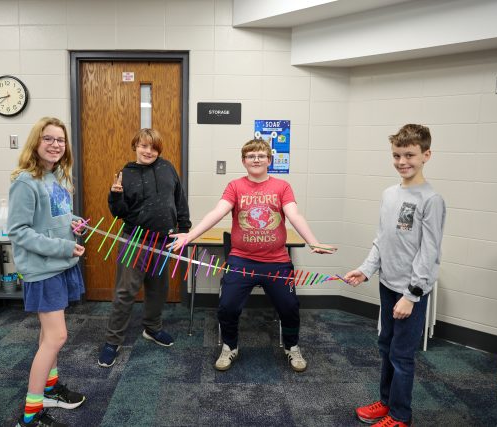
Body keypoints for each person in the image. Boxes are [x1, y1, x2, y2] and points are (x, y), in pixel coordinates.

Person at [169, 138, 336, 373]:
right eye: (250, 156)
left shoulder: (282, 187)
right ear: (243, 161)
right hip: (241, 261)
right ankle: (229, 345)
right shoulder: (235, 186)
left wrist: (312, 241)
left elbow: (295, 215)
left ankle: (292, 346)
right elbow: (217, 213)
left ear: (269, 160)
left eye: (260, 155)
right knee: (227, 307)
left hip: (276, 262)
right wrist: (189, 235)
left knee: (289, 307)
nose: (256, 159)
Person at [344, 124, 445, 427]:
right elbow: (382, 239)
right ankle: (386, 402)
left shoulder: (431, 199)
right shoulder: (389, 194)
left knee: (402, 356)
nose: (403, 161)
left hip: (410, 293)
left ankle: (401, 415)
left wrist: (412, 295)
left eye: (410, 155)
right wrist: (366, 269)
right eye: (397, 155)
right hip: (388, 285)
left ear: (426, 155)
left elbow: (429, 252)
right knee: (385, 346)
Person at [8, 117, 87, 427]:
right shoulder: (25, 182)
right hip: (44, 269)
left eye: (61, 140)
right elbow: (19, 232)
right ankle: (30, 415)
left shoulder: (57, 177)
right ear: (35, 143)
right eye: (49, 139)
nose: (56, 145)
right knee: (57, 337)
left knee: (47, 336)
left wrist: (76, 222)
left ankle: (51, 389)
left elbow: (58, 215)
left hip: (61, 265)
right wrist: (62, 247)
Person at [98, 128, 191, 368]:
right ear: (135, 146)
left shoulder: (168, 168)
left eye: (153, 147)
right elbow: (118, 213)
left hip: (163, 240)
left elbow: (179, 199)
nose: (148, 151)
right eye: (143, 146)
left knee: (158, 290)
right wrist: (115, 195)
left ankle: (152, 328)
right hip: (135, 240)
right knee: (125, 292)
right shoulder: (125, 174)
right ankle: (112, 341)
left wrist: (184, 229)